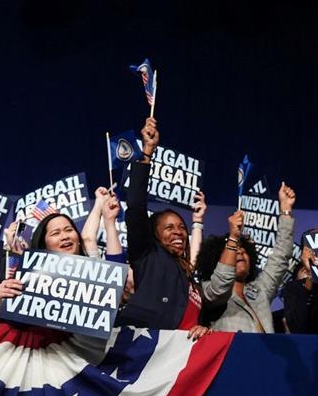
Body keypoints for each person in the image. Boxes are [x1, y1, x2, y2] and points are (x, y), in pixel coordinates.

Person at [113, 117, 214, 340]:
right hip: (142, 353)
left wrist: (202, 328)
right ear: (154, 234)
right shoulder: (147, 254)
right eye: (169, 227)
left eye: (181, 227)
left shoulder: (190, 278)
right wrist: (147, 154)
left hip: (177, 361)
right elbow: (136, 207)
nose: (178, 232)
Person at [193, 182, 297, 333]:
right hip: (232, 355)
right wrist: (233, 237)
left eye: (244, 251)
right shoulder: (208, 289)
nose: (240, 252)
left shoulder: (261, 289)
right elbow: (220, 285)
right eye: (234, 251)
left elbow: (281, 256)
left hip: (264, 356)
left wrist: (285, 211)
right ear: (218, 262)